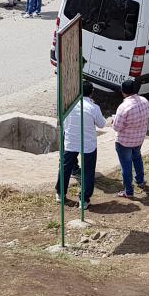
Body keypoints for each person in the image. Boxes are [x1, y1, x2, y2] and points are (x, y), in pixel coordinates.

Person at [61, 81, 107, 209]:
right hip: (88, 144)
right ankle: (84, 199)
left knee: (65, 168)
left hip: (71, 141)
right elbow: (102, 124)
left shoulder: (70, 104)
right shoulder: (93, 108)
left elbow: (64, 123)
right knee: (88, 171)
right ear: (92, 93)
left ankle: (60, 193)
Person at [111, 77, 149, 198]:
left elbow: (116, 127)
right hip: (139, 138)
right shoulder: (145, 101)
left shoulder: (123, 107)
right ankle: (140, 180)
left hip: (125, 141)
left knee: (126, 165)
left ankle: (128, 191)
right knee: (137, 157)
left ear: (123, 91)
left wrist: (113, 121)